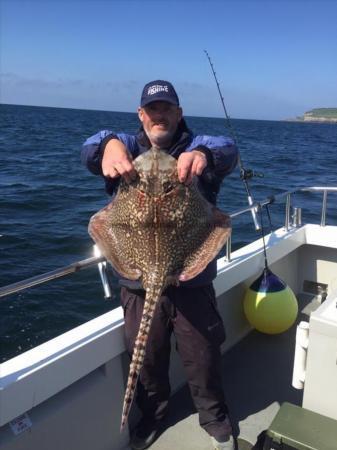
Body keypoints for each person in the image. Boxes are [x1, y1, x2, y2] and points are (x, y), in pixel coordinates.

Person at [81, 80, 238, 450]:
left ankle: (215, 419)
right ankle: (152, 416)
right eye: (153, 110)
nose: (160, 115)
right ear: (141, 115)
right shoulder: (128, 147)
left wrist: (202, 154)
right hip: (137, 281)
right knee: (146, 357)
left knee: (203, 355)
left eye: (167, 108)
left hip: (192, 280)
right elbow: (89, 148)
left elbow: (228, 149)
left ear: (179, 114)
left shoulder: (198, 145)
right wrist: (108, 145)